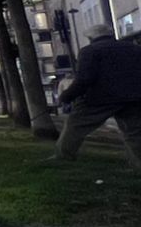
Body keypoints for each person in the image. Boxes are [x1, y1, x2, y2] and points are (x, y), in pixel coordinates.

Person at [56, 23, 141, 166]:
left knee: (75, 125)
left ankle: (64, 157)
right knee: (134, 132)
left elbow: (84, 79)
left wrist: (66, 96)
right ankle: (138, 163)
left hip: (100, 98)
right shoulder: (134, 48)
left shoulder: (89, 51)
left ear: (91, 37)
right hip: (133, 97)